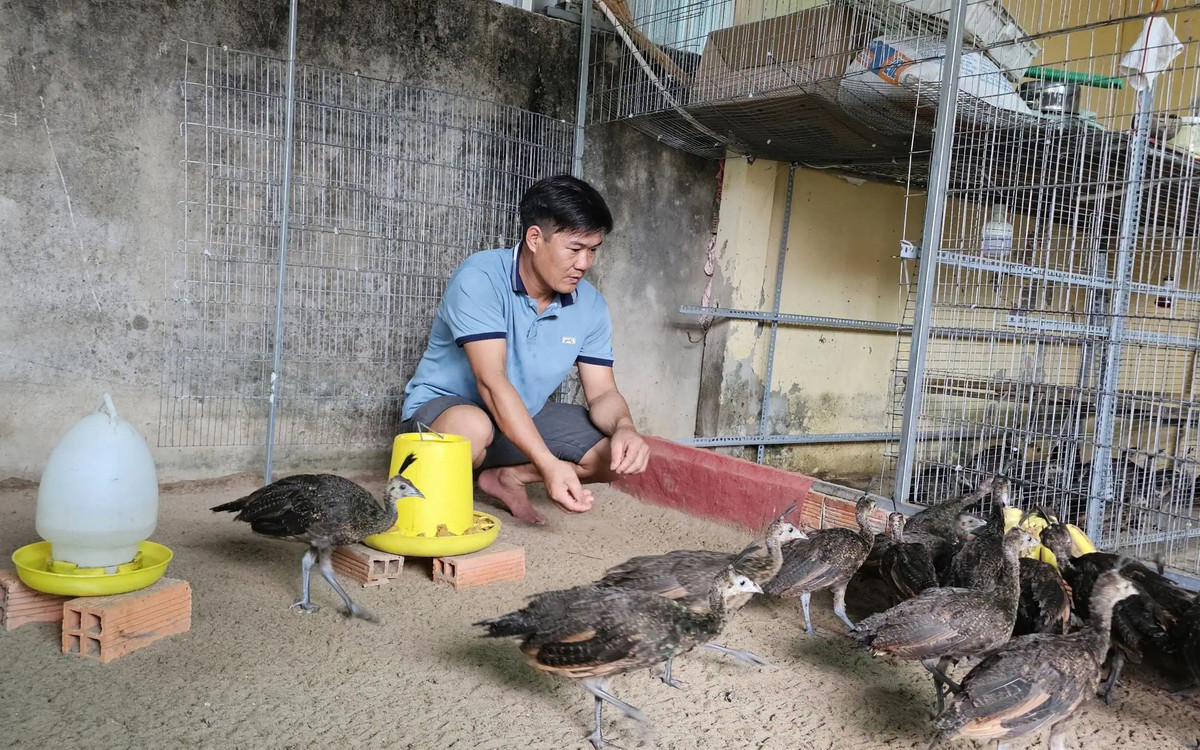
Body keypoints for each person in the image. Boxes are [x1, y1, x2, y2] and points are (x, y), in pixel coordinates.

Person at [399, 175, 650, 524]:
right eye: (575, 249)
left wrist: (626, 427)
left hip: (522, 418)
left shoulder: (591, 305)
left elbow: (603, 392)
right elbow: (491, 382)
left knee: (615, 455)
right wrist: (548, 464)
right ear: (535, 238)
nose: (585, 263)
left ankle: (508, 477)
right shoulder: (480, 278)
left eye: (593, 250)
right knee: (472, 427)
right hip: (449, 415)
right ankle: (433, 495)